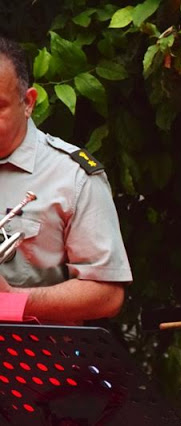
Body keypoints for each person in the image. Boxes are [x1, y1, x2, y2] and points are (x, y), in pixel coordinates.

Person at [0, 35, 131, 324]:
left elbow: (108, 294)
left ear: (28, 103)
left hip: (33, 361)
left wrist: (12, 301)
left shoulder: (72, 176)